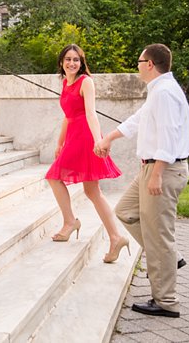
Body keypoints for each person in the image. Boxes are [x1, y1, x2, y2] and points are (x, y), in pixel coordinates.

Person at [94, 43, 189, 318]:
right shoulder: (158, 91)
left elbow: (169, 136)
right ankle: (170, 259)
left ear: (150, 64)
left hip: (163, 169)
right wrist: (109, 137)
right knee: (125, 211)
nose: (136, 65)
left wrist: (158, 173)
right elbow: (137, 120)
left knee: (160, 236)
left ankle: (166, 301)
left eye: (139, 61)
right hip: (150, 169)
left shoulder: (165, 93)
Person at [45, 44, 129, 264]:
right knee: (92, 191)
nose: (72, 63)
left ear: (82, 63)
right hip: (73, 136)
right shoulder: (65, 83)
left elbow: (91, 114)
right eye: (68, 59)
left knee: (56, 178)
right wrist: (59, 142)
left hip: (85, 137)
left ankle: (70, 222)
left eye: (76, 60)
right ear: (61, 62)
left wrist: (97, 141)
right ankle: (116, 236)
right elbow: (67, 116)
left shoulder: (86, 82)